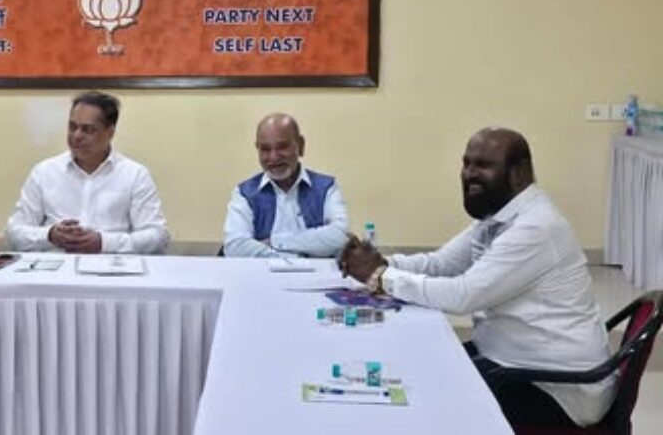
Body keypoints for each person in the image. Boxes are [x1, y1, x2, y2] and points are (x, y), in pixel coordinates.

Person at [339, 127, 613, 427]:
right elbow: (441, 264)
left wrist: (381, 277)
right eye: (466, 163)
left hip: (556, 388)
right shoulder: (499, 216)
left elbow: (464, 295)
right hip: (510, 361)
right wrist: (381, 263)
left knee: (425, 400)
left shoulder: (536, 227)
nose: (469, 174)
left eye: (483, 165)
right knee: (419, 367)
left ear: (519, 173)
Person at [5, 91, 169, 254]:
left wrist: (104, 242)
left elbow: (157, 236)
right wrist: (49, 235)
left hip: (111, 266)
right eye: (72, 127)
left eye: (88, 130)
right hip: (57, 266)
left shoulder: (135, 175)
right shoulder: (44, 172)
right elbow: (14, 233)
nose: (77, 136)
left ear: (110, 132)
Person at [222, 113, 349, 257]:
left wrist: (275, 242)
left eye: (282, 147)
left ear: (301, 146)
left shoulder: (326, 188)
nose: (274, 157)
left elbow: (340, 236)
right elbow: (234, 246)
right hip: (263, 272)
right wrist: (292, 260)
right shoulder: (244, 194)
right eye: (265, 149)